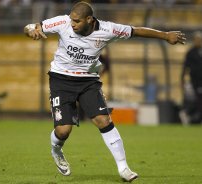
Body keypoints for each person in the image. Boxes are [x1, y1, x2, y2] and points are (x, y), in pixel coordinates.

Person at [24, 1, 186, 182]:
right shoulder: (62, 22)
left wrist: (165, 35)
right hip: (61, 80)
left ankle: (123, 168)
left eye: (77, 21)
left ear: (89, 19)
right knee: (63, 132)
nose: (72, 24)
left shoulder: (109, 29)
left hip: (88, 81)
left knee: (103, 120)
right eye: (71, 20)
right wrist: (31, 29)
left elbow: (136, 30)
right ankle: (56, 149)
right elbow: (34, 26)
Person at [181, 31, 202, 124]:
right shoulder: (191, 52)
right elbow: (185, 67)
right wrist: (182, 79)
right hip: (195, 81)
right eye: (197, 40)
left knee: (199, 100)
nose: (199, 41)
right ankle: (186, 113)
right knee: (196, 99)